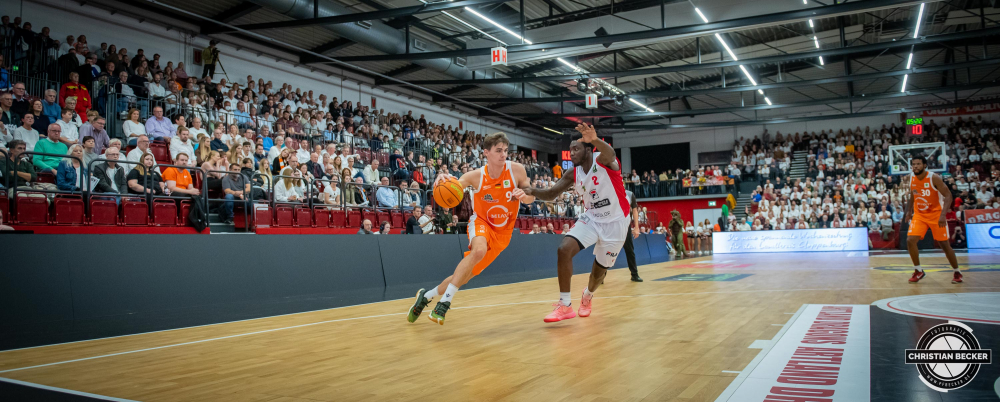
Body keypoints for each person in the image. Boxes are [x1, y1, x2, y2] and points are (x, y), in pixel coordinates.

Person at [406, 132, 533, 325]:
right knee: (479, 250)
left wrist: (524, 195)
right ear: (486, 153)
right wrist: (442, 177)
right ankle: (444, 303)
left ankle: (426, 296)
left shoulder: (517, 171)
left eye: (505, 151)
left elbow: (531, 198)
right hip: (481, 222)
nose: (503, 154)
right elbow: (452, 184)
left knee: (463, 277)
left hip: (503, 233)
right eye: (498, 150)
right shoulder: (476, 176)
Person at [524, 123, 630, 323]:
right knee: (564, 249)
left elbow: (611, 152)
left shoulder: (604, 161)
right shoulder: (573, 173)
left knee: (599, 272)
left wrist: (596, 139)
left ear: (588, 150)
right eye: (570, 149)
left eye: (576, 149)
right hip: (592, 218)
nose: (571, 153)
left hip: (616, 222)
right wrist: (532, 191)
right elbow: (552, 193)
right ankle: (565, 305)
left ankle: (588, 295)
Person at [905, 156, 962, 284]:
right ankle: (918, 270)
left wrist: (943, 215)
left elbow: (948, 196)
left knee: (944, 245)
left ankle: (957, 271)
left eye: (918, 164)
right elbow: (913, 195)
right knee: (910, 240)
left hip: (936, 215)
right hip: (919, 215)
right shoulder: (911, 178)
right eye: (914, 164)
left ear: (925, 165)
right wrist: (909, 211)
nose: (915, 166)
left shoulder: (934, 178)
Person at [620, 189, 643, 282]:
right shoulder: (610, 191)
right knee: (607, 251)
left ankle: (634, 274)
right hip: (612, 226)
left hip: (625, 226)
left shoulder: (630, 194)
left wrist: (636, 227)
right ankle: (601, 276)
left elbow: (634, 210)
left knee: (630, 250)